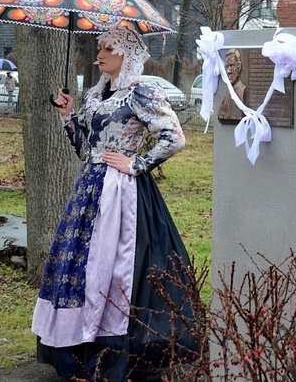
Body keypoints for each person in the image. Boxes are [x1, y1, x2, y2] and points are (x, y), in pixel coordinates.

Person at [32, 25, 197, 380]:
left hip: (122, 194)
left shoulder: (140, 91)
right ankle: (79, 342)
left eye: (108, 47)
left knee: (116, 264)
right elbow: (85, 151)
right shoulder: (96, 94)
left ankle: (117, 347)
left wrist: (135, 163)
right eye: (100, 47)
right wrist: (68, 116)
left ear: (128, 54)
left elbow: (174, 137)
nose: (99, 54)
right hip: (89, 190)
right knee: (83, 265)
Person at [217, 48, 247, 124]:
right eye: (227, 67)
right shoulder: (225, 97)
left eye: (231, 65)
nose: (228, 71)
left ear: (239, 66)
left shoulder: (243, 91)